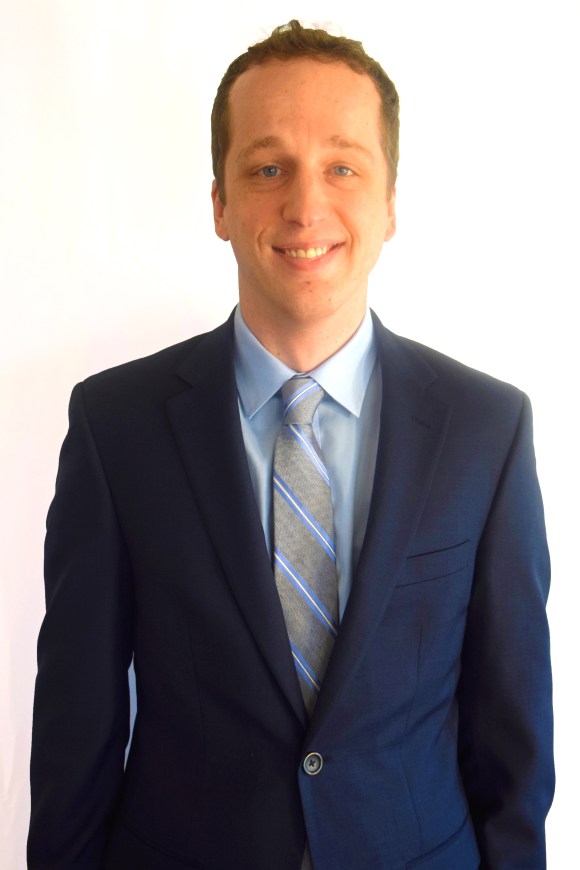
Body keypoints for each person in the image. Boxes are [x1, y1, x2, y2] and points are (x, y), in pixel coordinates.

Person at [28, 20, 554, 870]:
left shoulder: (486, 430)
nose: (306, 207)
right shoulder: (114, 426)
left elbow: (514, 748)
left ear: (390, 204)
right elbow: (73, 739)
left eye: (343, 167)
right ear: (220, 204)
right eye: (268, 169)